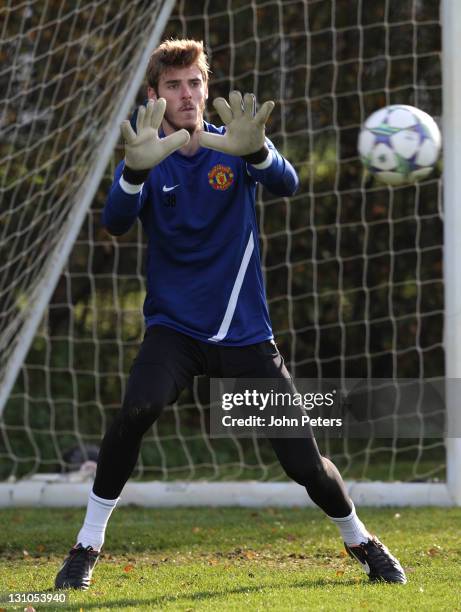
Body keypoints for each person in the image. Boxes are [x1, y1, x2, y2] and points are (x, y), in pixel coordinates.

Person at [55, 39, 406, 589]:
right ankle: (86, 547)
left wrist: (257, 153)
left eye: (194, 82)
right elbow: (116, 221)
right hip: (174, 329)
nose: (186, 94)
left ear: (207, 87)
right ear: (155, 96)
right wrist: (132, 170)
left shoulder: (236, 145)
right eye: (173, 85)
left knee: (303, 463)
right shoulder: (148, 153)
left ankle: (361, 540)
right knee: (137, 407)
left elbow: (285, 182)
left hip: (244, 333)